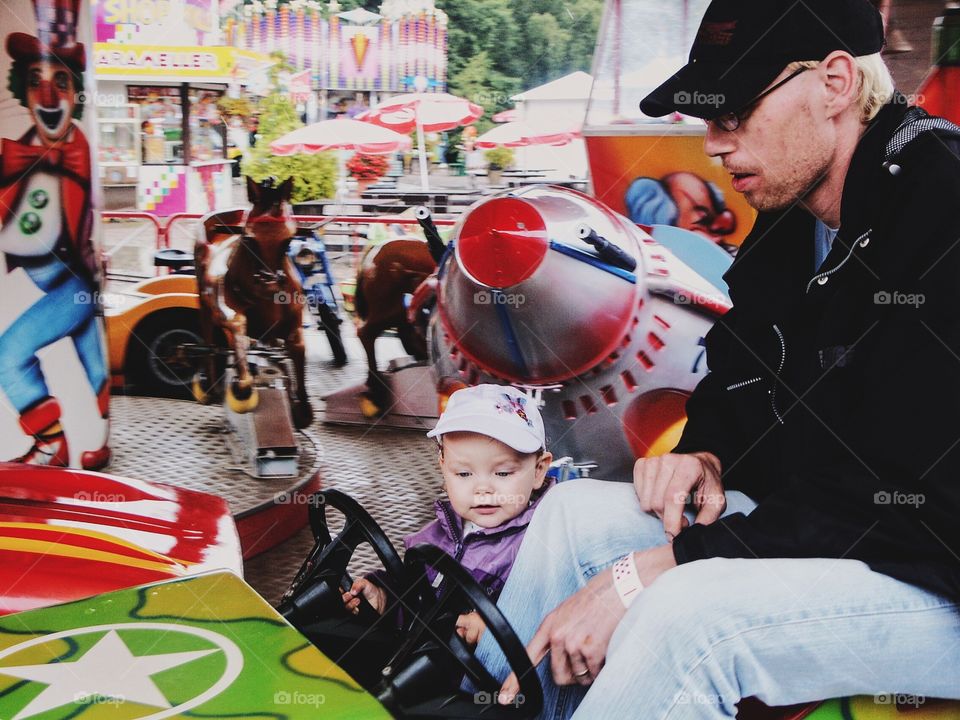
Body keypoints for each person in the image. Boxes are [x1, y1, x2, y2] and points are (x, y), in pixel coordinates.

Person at [474, 0, 960, 716]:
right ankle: (483, 702)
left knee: (688, 615)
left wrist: (662, 569)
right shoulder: (790, 222)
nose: (713, 145)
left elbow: (907, 498)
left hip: (935, 567)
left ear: (834, 84)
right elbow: (740, 377)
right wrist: (705, 456)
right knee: (572, 513)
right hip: (836, 529)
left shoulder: (941, 207)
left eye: (733, 111)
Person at [342, 384, 553, 644]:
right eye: (464, 474)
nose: (482, 489)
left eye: (503, 473)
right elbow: (416, 604)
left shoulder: (542, 547)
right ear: (443, 467)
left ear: (539, 470)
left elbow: (556, 626)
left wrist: (497, 632)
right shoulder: (436, 535)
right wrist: (385, 597)